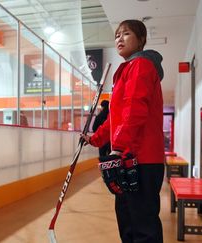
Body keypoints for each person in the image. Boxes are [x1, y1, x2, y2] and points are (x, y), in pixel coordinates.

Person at [81, 19, 165, 243]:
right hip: (128, 158)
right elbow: (116, 117)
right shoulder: (125, 71)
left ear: (141, 40)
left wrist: (118, 147)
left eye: (126, 34)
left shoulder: (141, 66)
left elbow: (135, 108)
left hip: (143, 159)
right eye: (117, 35)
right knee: (127, 220)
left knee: (143, 224)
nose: (119, 38)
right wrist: (95, 138)